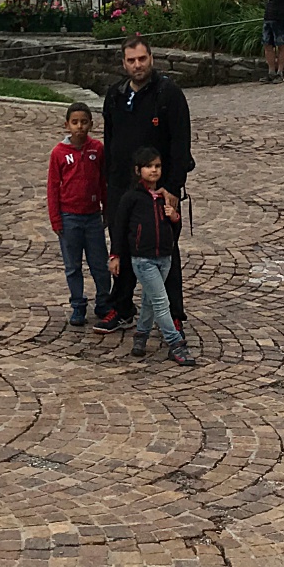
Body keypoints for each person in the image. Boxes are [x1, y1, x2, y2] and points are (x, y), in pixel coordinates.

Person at [95, 36, 194, 333]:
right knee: (121, 246)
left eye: (142, 59)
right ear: (123, 63)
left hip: (158, 189)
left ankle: (173, 313)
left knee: (165, 251)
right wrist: (108, 187)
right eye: (131, 60)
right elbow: (110, 143)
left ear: (151, 58)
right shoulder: (114, 95)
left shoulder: (169, 94)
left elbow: (180, 144)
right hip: (121, 188)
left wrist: (173, 188)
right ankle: (122, 308)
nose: (137, 65)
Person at [107, 147, 193, 365]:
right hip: (143, 260)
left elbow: (173, 230)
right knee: (161, 302)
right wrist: (115, 255)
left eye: (157, 166)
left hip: (164, 258)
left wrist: (174, 218)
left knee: (149, 301)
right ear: (138, 170)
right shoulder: (131, 198)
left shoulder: (164, 197)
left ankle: (141, 336)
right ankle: (175, 343)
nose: (154, 170)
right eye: (149, 166)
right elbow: (119, 228)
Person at [46, 103, 110, 326]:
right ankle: (78, 305)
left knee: (99, 264)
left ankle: (103, 301)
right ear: (67, 125)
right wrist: (56, 218)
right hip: (69, 217)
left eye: (84, 122)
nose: (79, 127)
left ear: (91, 124)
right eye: (75, 122)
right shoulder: (59, 153)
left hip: (92, 216)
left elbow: (102, 182)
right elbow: (53, 188)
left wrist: (106, 209)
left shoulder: (97, 149)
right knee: (73, 266)